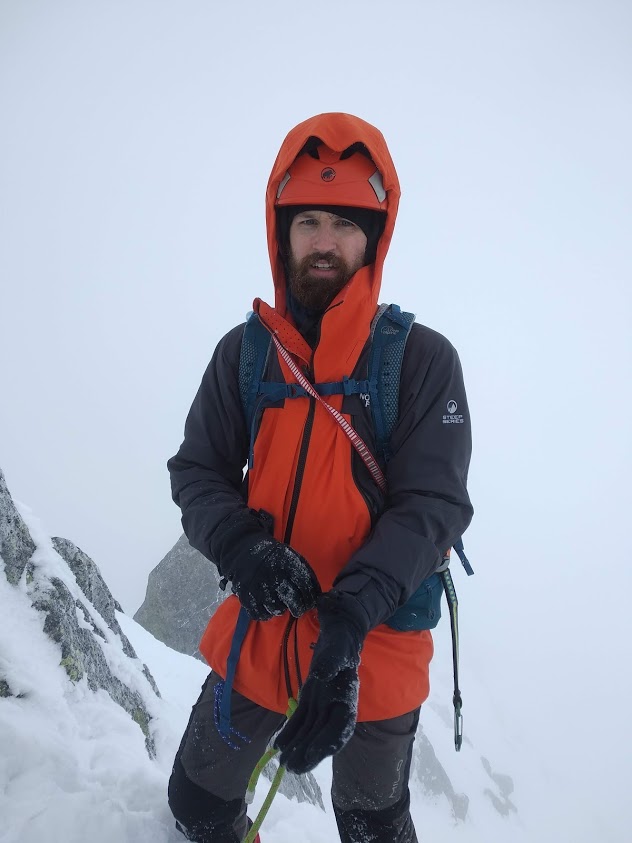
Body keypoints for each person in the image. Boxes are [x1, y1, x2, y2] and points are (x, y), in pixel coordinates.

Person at [167, 112, 473, 843]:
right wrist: (241, 547)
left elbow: (432, 504)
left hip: (375, 641)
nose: (325, 241)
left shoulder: (421, 360)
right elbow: (198, 470)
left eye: (344, 223)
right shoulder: (245, 354)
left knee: (370, 823)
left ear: (374, 238)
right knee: (197, 802)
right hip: (261, 627)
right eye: (307, 221)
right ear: (282, 235)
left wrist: (349, 618)